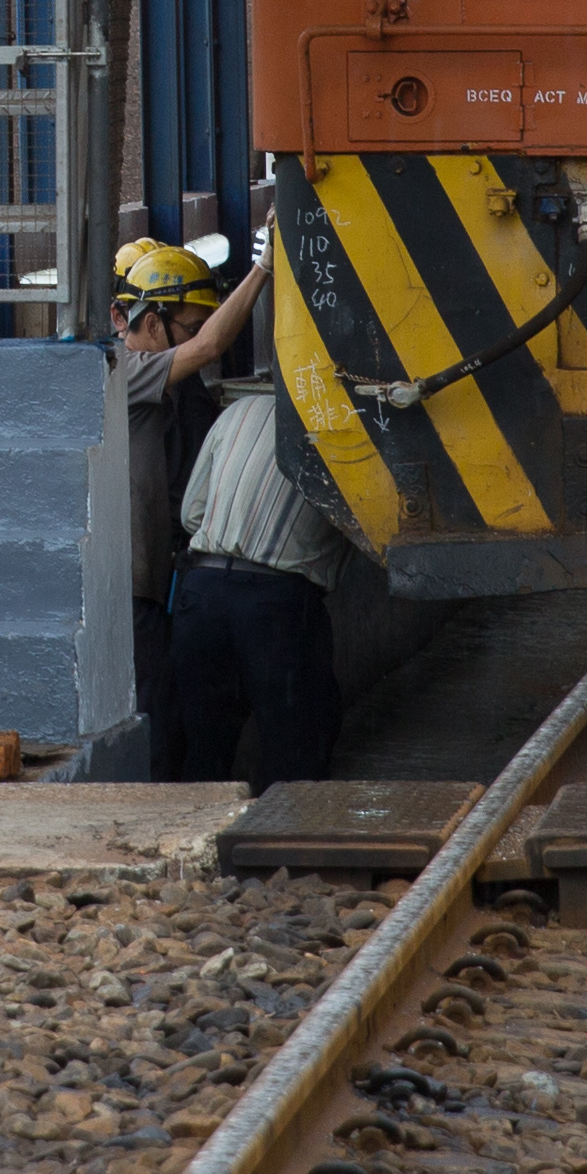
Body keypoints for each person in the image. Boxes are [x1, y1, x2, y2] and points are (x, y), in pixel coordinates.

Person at [110, 236, 264, 735]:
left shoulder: (173, 389)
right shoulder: (122, 373)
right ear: (151, 322)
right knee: (156, 716)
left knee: (175, 711)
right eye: (189, 326)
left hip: (160, 586)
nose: (198, 339)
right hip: (131, 595)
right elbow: (211, 346)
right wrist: (263, 267)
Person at [166, 367, 348, 790]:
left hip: (203, 595)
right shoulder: (343, 433)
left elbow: (191, 515)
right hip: (276, 604)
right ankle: (281, 852)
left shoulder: (238, 411)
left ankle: (197, 850)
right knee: (295, 757)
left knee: (204, 753)